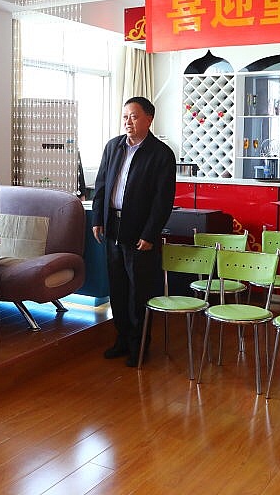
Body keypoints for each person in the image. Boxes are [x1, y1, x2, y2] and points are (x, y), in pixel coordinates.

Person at [91, 97, 176, 367]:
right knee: (117, 287)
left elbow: (163, 201)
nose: (128, 121)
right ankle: (122, 339)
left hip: (140, 231)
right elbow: (101, 186)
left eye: (134, 116)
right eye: (125, 116)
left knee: (139, 290)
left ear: (149, 119)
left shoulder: (161, 154)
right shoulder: (113, 147)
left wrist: (150, 234)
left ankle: (139, 345)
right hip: (112, 226)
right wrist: (97, 218)